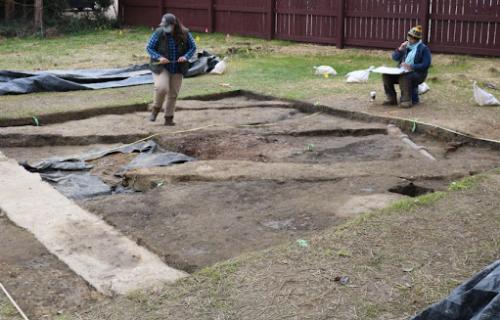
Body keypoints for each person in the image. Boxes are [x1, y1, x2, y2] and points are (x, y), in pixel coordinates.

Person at [146, 13, 197, 125]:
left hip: (177, 67)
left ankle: (168, 119)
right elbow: (149, 48)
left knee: (173, 94)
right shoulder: (159, 33)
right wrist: (159, 57)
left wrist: (186, 57)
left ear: (174, 24)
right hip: (161, 67)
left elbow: (193, 47)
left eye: (167, 25)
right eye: (163, 25)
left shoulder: (185, 33)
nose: (165, 27)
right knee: (161, 88)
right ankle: (155, 110)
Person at [382, 25, 432, 108]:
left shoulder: (423, 49)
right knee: (386, 75)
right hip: (401, 71)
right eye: (409, 37)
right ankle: (391, 98)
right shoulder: (405, 46)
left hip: (417, 74)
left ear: (417, 39)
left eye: (412, 38)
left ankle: (406, 100)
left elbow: (426, 64)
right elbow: (395, 57)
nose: (409, 40)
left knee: (404, 77)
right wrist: (399, 49)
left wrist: (411, 66)